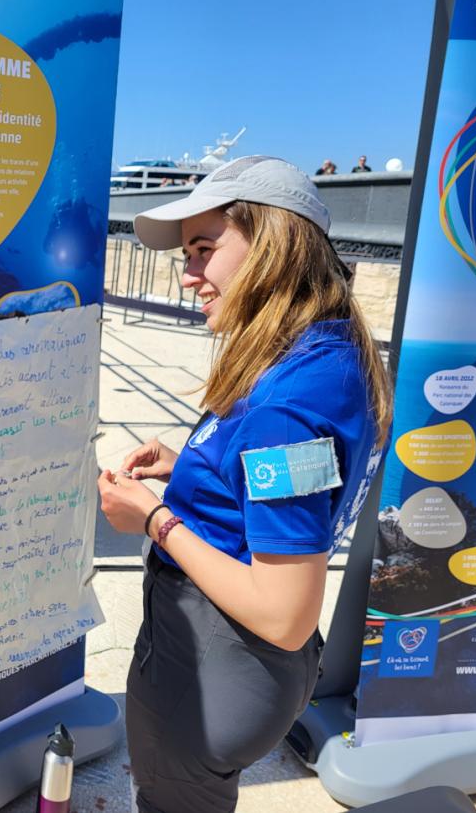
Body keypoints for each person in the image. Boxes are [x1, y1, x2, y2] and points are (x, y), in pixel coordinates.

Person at [98, 155, 392, 813]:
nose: (188, 275)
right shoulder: (326, 351)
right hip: (240, 670)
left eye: (205, 249)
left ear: (275, 247)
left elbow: (285, 615)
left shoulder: (284, 406)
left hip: (212, 670)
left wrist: (153, 520)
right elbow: (294, 492)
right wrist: (194, 466)